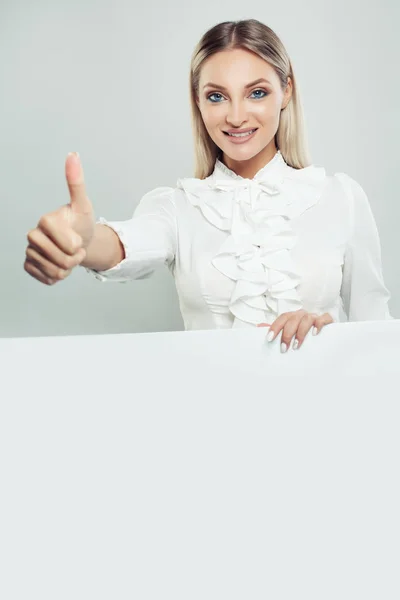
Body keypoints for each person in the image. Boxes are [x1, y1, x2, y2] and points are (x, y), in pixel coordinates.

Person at [23, 19, 392, 353]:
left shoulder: (340, 197)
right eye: (217, 96)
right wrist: (83, 242)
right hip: (211, 412)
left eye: (257, 92)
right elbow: (130, 243)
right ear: (198, 102)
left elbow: (378, 332)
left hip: (330, 407)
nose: (235, 116)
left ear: (287, 91)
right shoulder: (178, 206)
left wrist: (329, 336)